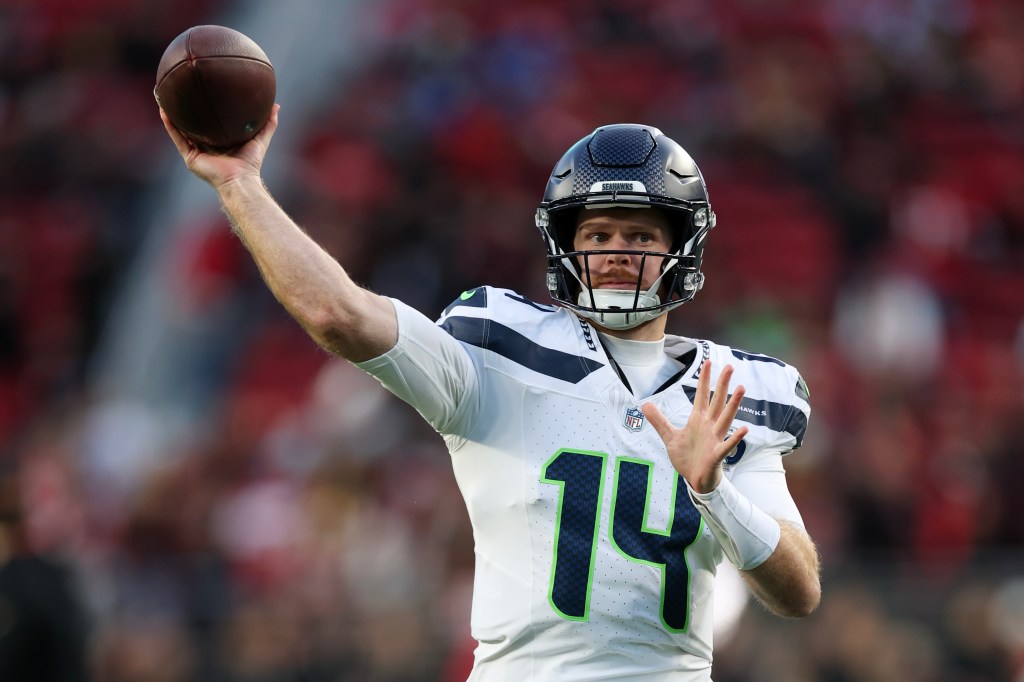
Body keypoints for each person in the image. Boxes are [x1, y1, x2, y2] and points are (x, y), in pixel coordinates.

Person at [160, 105, 821, 680]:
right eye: (597, 235)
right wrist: (239, 184)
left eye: (640, 235)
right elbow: (341, 314)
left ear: (683, 249)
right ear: (565, 246)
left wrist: (715, 493)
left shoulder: (731, 393)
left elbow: (798, 592)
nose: (617, 253)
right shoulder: (499, 350)